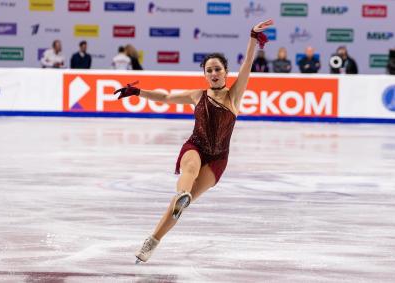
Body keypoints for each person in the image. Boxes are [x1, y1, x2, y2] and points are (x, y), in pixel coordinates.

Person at [113, 19, 274, 263]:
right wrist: (138, 92)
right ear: (205, 75)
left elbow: (248, 64)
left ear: (226, 72)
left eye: (217, 69)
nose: (213, 73)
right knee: (188, 171)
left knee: (181, 206)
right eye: (209, 70)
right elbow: (166, 97)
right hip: (195, 146)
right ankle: (182, 195)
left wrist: (253, 38)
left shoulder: (234, 96)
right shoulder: (197, 95)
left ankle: (154, 239)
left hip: (218, 158)